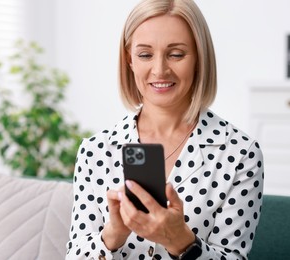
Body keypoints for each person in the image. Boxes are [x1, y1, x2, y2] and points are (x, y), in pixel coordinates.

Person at [66, 0, 264, 259]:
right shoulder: (96, 152)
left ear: (199, 59)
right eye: (145, 54)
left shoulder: (239, 154)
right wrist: (112, 234)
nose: (159, 70)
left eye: (176, 54)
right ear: (130, 60)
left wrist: (181, 241)